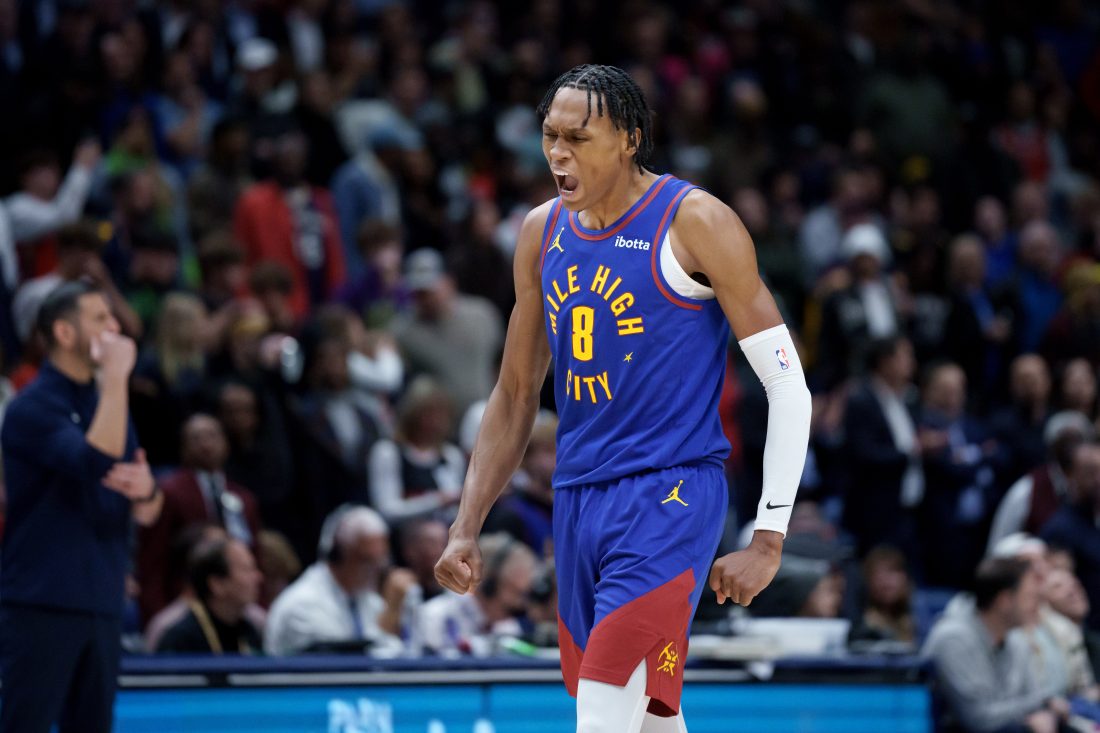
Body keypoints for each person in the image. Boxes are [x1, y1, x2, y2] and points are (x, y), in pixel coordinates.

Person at [434, 65, 811, 732]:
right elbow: (517, 393)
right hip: (579, 501)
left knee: (605, 711)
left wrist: (770, 537)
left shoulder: (695, 221)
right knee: (646, 720)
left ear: (630, 137)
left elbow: (787, 385)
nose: (558, 152)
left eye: (578, 137)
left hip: (671, 496)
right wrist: (467, 523)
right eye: (550, 135)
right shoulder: (541, 232)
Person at [0, 280, 164, 733]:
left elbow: (146, 508)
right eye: (99, 319)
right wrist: (115, 377)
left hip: (104, 600)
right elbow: (94, 460)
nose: (115, 329)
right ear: (65, 334)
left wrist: (149, 490)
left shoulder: (108, 404)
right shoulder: (32, 407)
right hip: (44, 603)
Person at [136, 413, 263, 623]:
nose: (205, 444)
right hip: (184, 605)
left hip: (239, 607)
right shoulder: (169, 492)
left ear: (226, 443)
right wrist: (155, 614)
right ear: (184, 447)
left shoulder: (244, 498)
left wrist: (259, 603)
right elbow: (152, 561)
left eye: (212, 436)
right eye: (196, 438)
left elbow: (256, 555)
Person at [922, 558, 1070, 733]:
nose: (1037, 606)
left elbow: (1031, 699)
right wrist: (1043, 703)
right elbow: (979, 718)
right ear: (1005, 600)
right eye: (1030, 596)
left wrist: (1042, 710)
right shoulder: (953, 639)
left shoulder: (1016, 639)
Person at [264, 505, 416, 656]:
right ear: (339, 555)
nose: (377, 569)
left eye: (381, 560)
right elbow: (353, 666)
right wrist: (391, 611)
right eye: (368, 560)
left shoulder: (367, 600)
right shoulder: (303, 605)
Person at [419, 533, 537, 656]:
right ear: (490, 580)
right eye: (517, 575)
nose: (526, 588)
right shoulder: (437, 615)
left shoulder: (509, 627)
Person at [155, 537, 264, 655]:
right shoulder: (180, 640)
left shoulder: (250, 632)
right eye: (246, 570)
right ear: (217, 584)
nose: (258, 577)